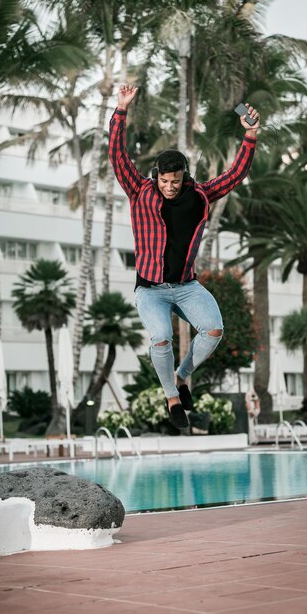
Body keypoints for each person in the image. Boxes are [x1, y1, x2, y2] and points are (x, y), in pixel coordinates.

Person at [109, 84, 260, 430]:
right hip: (150, 289)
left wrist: (250, 136)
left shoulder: (199, 194)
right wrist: (121, 111)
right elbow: (118, 156)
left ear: (184, 176)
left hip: (187, 285)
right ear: (156, 177)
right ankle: (172, 397)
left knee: (213, 329)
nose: (170, 187)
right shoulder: (139, 191)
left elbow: (235, 175)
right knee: (161, 336)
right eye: (164, 181)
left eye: (175, 181)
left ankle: (182, 375)